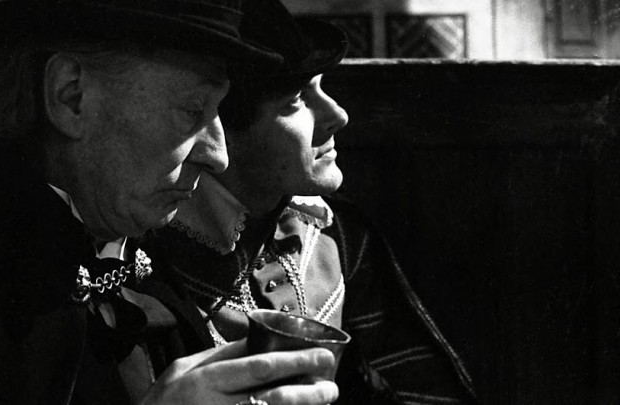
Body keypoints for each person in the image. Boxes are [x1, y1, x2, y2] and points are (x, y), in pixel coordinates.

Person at [0, 1, 340, 404]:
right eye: (193, 110)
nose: (217, 155)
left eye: (218, 113)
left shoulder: (138, 271)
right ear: (71, 96)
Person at [136, 0, 480, 403]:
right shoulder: (148, 248)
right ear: (221, 127)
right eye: (296, 100)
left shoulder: (336, 233)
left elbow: (425, 386)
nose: (338, 115)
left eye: (322, 88)